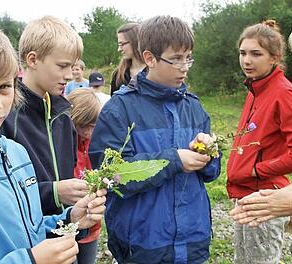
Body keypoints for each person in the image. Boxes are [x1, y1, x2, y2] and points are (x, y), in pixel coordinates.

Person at [0, 23, 106, 264]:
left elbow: (32, 227)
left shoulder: (16, 152)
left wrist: (71, 219)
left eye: (4, 87)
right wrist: (30, 260)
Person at [89, 15, 221, 264]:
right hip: (144, 243)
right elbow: (111, 175)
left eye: (188, 58)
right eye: (176, 59)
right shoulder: (120, 109)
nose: (184, 67)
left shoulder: (194, 107)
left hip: (193, 239)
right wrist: (173, 160)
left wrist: (210, 153)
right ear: (149, 58)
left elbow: (212, 173)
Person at [230, 15, 292, 264]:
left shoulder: (282, 91)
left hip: (265, 190)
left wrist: (257, 170)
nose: (247, 60)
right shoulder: (255, 88)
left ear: (274, 57)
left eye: (256, 54)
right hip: (252, 193)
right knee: (244, 258)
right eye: (242, 53)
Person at [0, 16, 87, 216]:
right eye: (62, 66)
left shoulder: (63, 114)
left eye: (72, 66)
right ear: (32, 60)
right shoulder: (6, 114)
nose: (69, 75)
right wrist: (53, 192)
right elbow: (0, 191)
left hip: (66, 228)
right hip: (27, 238)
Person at [67, 89, 102, 264]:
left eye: (93, 126)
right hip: (67, 223)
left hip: (92, 225)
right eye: (83, 126)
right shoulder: (63, 143)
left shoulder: (97, 143)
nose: (88, 132)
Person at [110, 22, 145, 95]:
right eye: (119, 45)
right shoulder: (118, 75)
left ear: (135, 42)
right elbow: (114, 104)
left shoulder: (155, 72)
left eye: (122, 44)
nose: (119, 49)